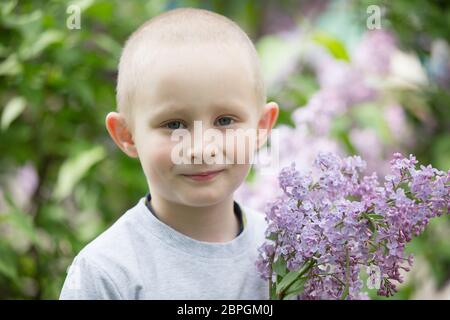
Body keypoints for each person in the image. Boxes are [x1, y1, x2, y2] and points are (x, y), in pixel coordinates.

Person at [60, 7, 279, 299]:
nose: (202, 149)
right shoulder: (105, 273)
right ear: (127, 135)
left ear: (261, 126)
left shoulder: (287, 251)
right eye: (174, 124)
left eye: (224, 121)